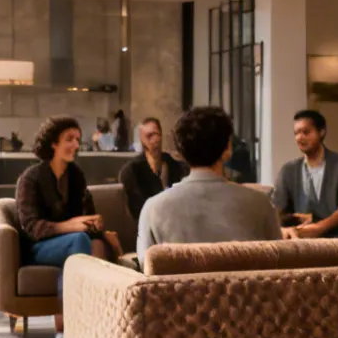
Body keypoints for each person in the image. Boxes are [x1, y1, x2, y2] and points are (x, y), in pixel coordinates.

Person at [134, 107, 282, 257]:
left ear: (180, 152)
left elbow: (145, 264)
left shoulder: (153, 209)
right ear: (228, 148)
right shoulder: (261, 205)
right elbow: (279, 260)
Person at [17, 116, 121, 266]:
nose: (76, 145)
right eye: (69, 139)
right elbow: (32, 228)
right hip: (39, 247)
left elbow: (85, 216)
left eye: (77, 140)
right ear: (53, 143)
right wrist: (69, 225)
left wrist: (99, 229)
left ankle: (81, 281)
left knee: (99, 244)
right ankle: (74, 282)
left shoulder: (76, 175)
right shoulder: (31, 178)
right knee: (79, 239)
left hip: (74, 240)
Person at [271, 109, 338, 239]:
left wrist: (319, 227)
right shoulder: (288, 170)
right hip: (299, 240)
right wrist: (287, 224)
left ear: (322, 132)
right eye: (296, 133)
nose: (300, 138)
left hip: (336, 240)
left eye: (306, 132)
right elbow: (276, 209)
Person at [118, 117, 188, 222]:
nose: (154, 139)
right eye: (149, 136)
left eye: (156, 134)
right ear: (141, 139)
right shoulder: (132, 170)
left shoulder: (176, 166)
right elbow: (136, 208)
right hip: (148, 221)